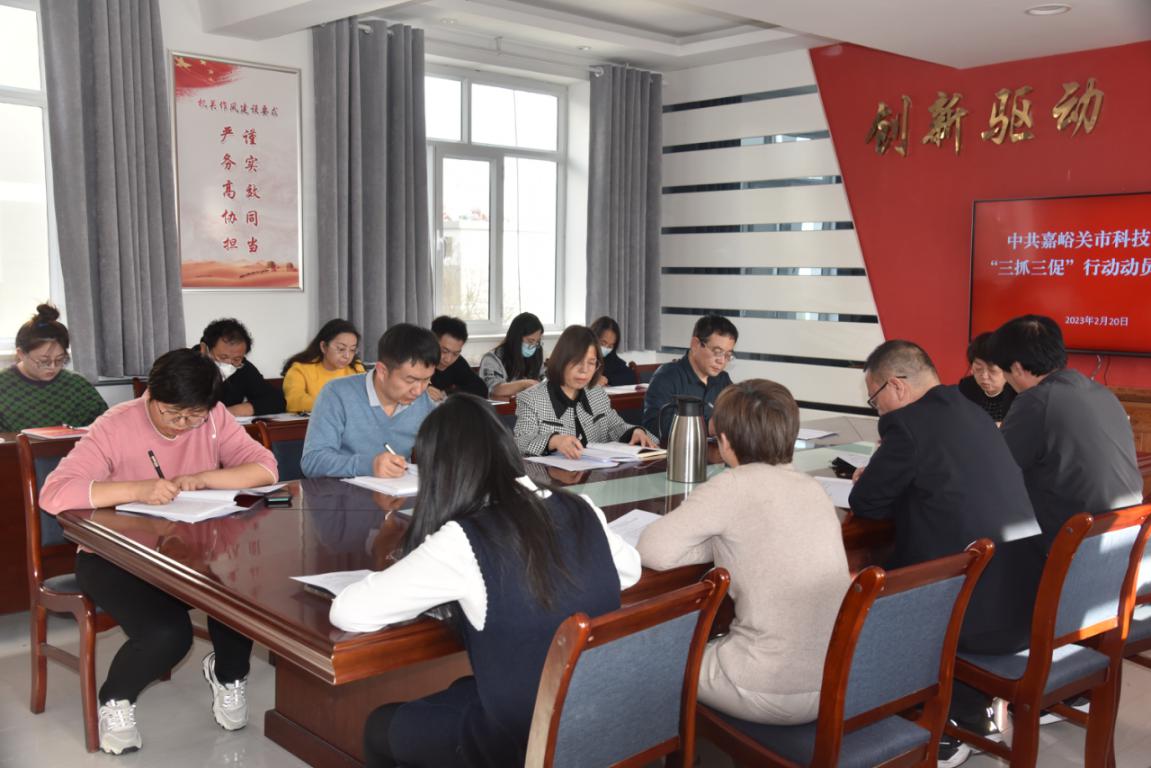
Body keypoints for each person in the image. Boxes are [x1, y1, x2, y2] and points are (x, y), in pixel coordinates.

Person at [329, 394, 641, 768]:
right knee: (462, 691)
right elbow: (630, 570)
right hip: (598, 715)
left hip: (522, 739)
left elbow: (348, 611)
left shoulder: (464, 540)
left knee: (380, 727)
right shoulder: (581, 507)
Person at [39, 349, 278, 755]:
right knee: (167, 635)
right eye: (173, 414)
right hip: (114, 556)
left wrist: (204, 478)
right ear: (150, 394)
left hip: (190, 553)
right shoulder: (115, 425)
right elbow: (55, 492)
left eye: (194, 416)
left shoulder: (214, 417)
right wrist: (137, 489)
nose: (184, 425)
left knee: (241, 603)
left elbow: (265, 467)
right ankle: (116, 698)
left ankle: (228, 675)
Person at [847, 340, 1045, 766]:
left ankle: (942, 723)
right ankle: (969, 711)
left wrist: (876, 477)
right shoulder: (972, 411)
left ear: (896, 386)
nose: (878, 410)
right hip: (1028, 601)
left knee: (869, 591)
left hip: (976, 615)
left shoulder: (906, 424)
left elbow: (867, 502)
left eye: (874, 399)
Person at [638, 380, 849, 726]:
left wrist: (717, 541)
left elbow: (653, 551)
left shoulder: (732, 485)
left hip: (766, 689)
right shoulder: (813, 488)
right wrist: (728, 541)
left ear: (724, 442)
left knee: (650, 657)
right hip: (834, 683)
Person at [989, 315, 1143, 545]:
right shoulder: (1102, 393)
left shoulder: (1037, 401)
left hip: (1078, 543)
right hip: (1128, 537)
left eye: (1005, 374)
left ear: (1017, 368)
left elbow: (996, 469)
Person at [301, 323, 439, 479]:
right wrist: (369, 465)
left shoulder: (423, 401)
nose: (418, 390)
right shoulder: (337, 393)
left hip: (399, 489)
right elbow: (312, 462)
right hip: (343, 491)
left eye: (426, 380)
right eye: (410, 380)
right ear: (382, 371)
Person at [514, 325, 657, 457]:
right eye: (577, 361)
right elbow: (520, 442)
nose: (584, 370)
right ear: (561, 360)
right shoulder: (532, 398)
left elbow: (615, 427)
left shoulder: (597, 393)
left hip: (596, 473)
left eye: (591, 362)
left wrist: (634, 432)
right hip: (552, 474)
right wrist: (554, 440)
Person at [0, 304, 107, 432]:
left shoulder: (77, 385)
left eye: (60, 359)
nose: (52, 367)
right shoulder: (3, 384)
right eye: (44, 361)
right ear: (21, 354)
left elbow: (106, 427)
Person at [642, 314, 738, 441]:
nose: (722, 361)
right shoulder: (667, 377)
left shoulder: (723, 380)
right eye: (717, 352)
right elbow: (653, 428)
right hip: (676, 452)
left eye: (728, 355)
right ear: (695, 344)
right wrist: (708, 427)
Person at [197, 318, 286, 416]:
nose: (228, 363)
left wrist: (227, 412)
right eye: (223, 357)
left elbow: (276, 400)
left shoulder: (242, 367)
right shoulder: (186, 366)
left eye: (236, 359)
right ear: (204, 349)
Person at [281, 319, 366, 412]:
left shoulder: (356, 368)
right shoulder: (300, 369)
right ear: (324, 347)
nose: (347, 356)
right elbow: (295, 402)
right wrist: (335, 405)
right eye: (341, 349)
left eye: (352, 350)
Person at [478, 312, 544, 399]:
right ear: (517, 338)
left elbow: (543, 379)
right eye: (530, 341)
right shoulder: (492, 359)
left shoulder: (536, 355)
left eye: (537, 342)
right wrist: (524, 384)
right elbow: (494, 389)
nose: (533, 346)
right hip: (502, 406)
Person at [957, 332, 1016, 423]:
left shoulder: (1018, 393)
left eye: (992, 370)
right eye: (978, 369)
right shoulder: (966, 388)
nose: (984, 376)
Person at [427, 316, 487, 401]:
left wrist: (448, 393)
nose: (448, 359)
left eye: (456, 353)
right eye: (444, 351)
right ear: (431, 341)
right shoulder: (417, 360)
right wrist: (424, 389)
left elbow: (481, 389)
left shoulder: (458, 362)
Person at [589, 316, 634, 387]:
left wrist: (607, 379)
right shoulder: (581, 354)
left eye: (610, 345)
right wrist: (593, 379)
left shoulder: (611, 356)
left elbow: (629, 376)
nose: (606, 348)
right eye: (603, 343)